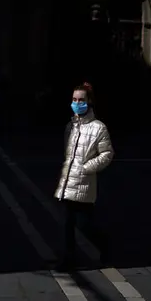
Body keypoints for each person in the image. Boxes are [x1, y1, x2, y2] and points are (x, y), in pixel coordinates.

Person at [54, 82, 114, 270]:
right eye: (74, 99)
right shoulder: (70, 126)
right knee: (67, 224)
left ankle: (104, 245)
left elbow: (107, 154)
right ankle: (68, 259)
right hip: (68, 182)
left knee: (86, 225)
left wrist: (88, 167)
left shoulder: (98, 128)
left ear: (89, 102)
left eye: (81, 100)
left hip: (85, 183)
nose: (77, 103)